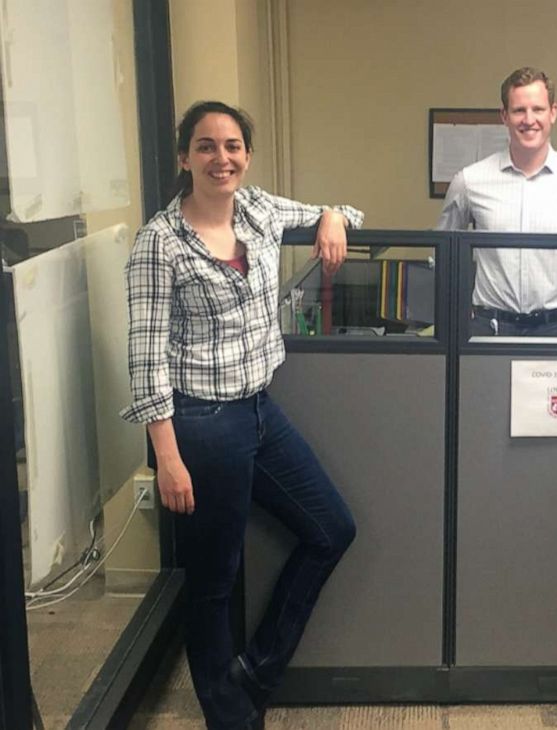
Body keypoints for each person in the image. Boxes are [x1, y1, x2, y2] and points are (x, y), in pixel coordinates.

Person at [121, 101, 362, 730]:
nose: (220, 158)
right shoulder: (159, 242)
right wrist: (168, 459)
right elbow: (145, 361)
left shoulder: (256, 209)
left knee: (332, 528)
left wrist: (332, 216)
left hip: (260, 412)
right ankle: (231, 716)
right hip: (201, 425)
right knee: (214, 580)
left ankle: (254, 672)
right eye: (205, 146)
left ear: (246, 156)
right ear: (184, 158)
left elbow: (336, 213)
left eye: (231, 146)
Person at [435, 66, 557, 337]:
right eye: (518, 110)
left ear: (553, 112)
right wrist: (456, 304)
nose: (529, 119)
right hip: (490, 328)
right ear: (504, 116)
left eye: (537, 109)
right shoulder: (469, 182)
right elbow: (443, 248)